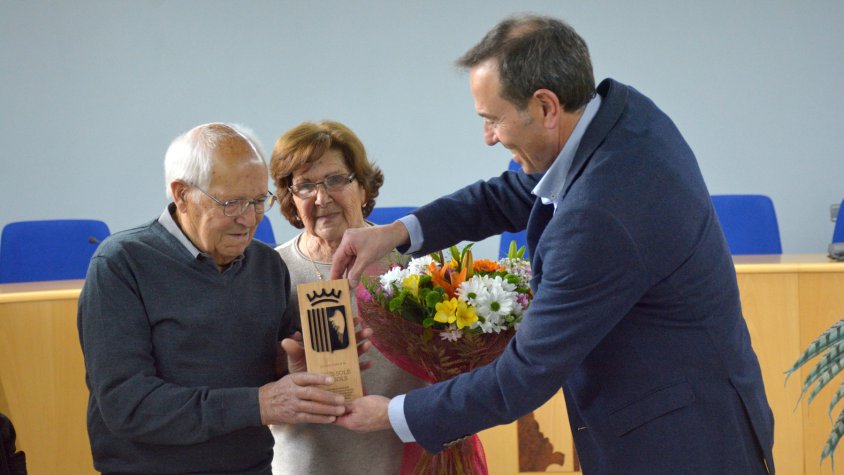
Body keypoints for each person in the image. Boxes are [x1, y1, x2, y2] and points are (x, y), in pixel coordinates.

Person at [330, 15, 776, 475]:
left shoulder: (598, 216)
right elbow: (515, 191)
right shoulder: (620, 116)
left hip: (679, 446)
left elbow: (522, 376)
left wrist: (395, 415)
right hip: (705, 407)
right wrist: (397, 232)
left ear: (545, 106)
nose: (488, 137)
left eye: (492, 119)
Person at [77, 122, 348, 474]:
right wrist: (258, 404)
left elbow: (265, 371)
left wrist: (300, 365)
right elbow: (127, 405)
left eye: (256, 201)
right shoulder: (122, 263)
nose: (248, 220)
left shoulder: (267, 265)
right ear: (181, 194)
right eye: (231, 203)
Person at [268, 120, 427, 475]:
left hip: (406, 462)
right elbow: (247, 384)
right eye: (305, 186)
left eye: (336, 180)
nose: (321, 198)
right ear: (291, 201)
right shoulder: (269, 272)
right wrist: (284, 369)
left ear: (364, 187)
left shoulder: (414, 262)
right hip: (308, 464)